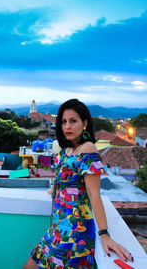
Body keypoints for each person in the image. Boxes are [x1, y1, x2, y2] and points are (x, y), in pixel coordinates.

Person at [24, 99, 134, 269]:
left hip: (75, 232)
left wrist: (104, 235)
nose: (67, 126)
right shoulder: (67, 149)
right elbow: (65, 182)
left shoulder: (88, 149)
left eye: (73, 121)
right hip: (57, 227)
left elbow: (93, 194)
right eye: (64, 121)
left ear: (85, 123)